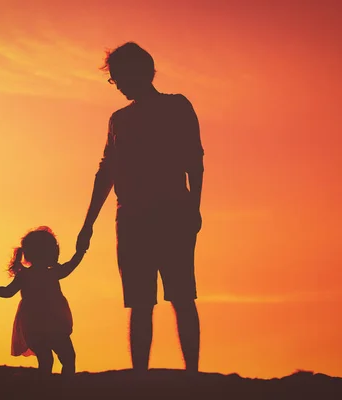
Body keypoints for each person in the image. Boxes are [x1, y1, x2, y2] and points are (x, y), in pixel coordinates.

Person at [76, 42, 205, 373]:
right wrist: (88, 223)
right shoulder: (118, 119)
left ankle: (191, 374)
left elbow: (194, 159)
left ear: (141, 72)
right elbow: (108, 170)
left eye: (118, 77)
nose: (117, 84)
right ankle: (140, 377)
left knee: (181, 296)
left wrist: (194, 206)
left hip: (171, 212)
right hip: (133, 217)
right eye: (114, 78)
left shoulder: (177, 106)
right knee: (141, 301)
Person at [0, 226, 85, 376]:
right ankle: (65, 388)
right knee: (68, 358)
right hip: (54, 324)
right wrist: (81, 250)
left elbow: (8, 292)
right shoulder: (53, 272)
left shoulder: (25, 275)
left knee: (46, 361)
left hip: (33, 326)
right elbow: (72, 264)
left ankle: (46, 390)